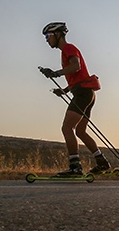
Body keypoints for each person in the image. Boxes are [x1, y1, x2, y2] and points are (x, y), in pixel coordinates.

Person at [39, 22, 110, 176]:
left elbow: (76, 66)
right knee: (80, 131)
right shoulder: (65, 51)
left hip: (83, 94)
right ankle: (102, 162)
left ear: (57, 35)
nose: (46, 40)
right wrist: (64, 90)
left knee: (67, 128)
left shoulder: (68, 48)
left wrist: (55, 73)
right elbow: (77, 77)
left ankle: (75, 167)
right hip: (86, 93)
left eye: (47, 36)